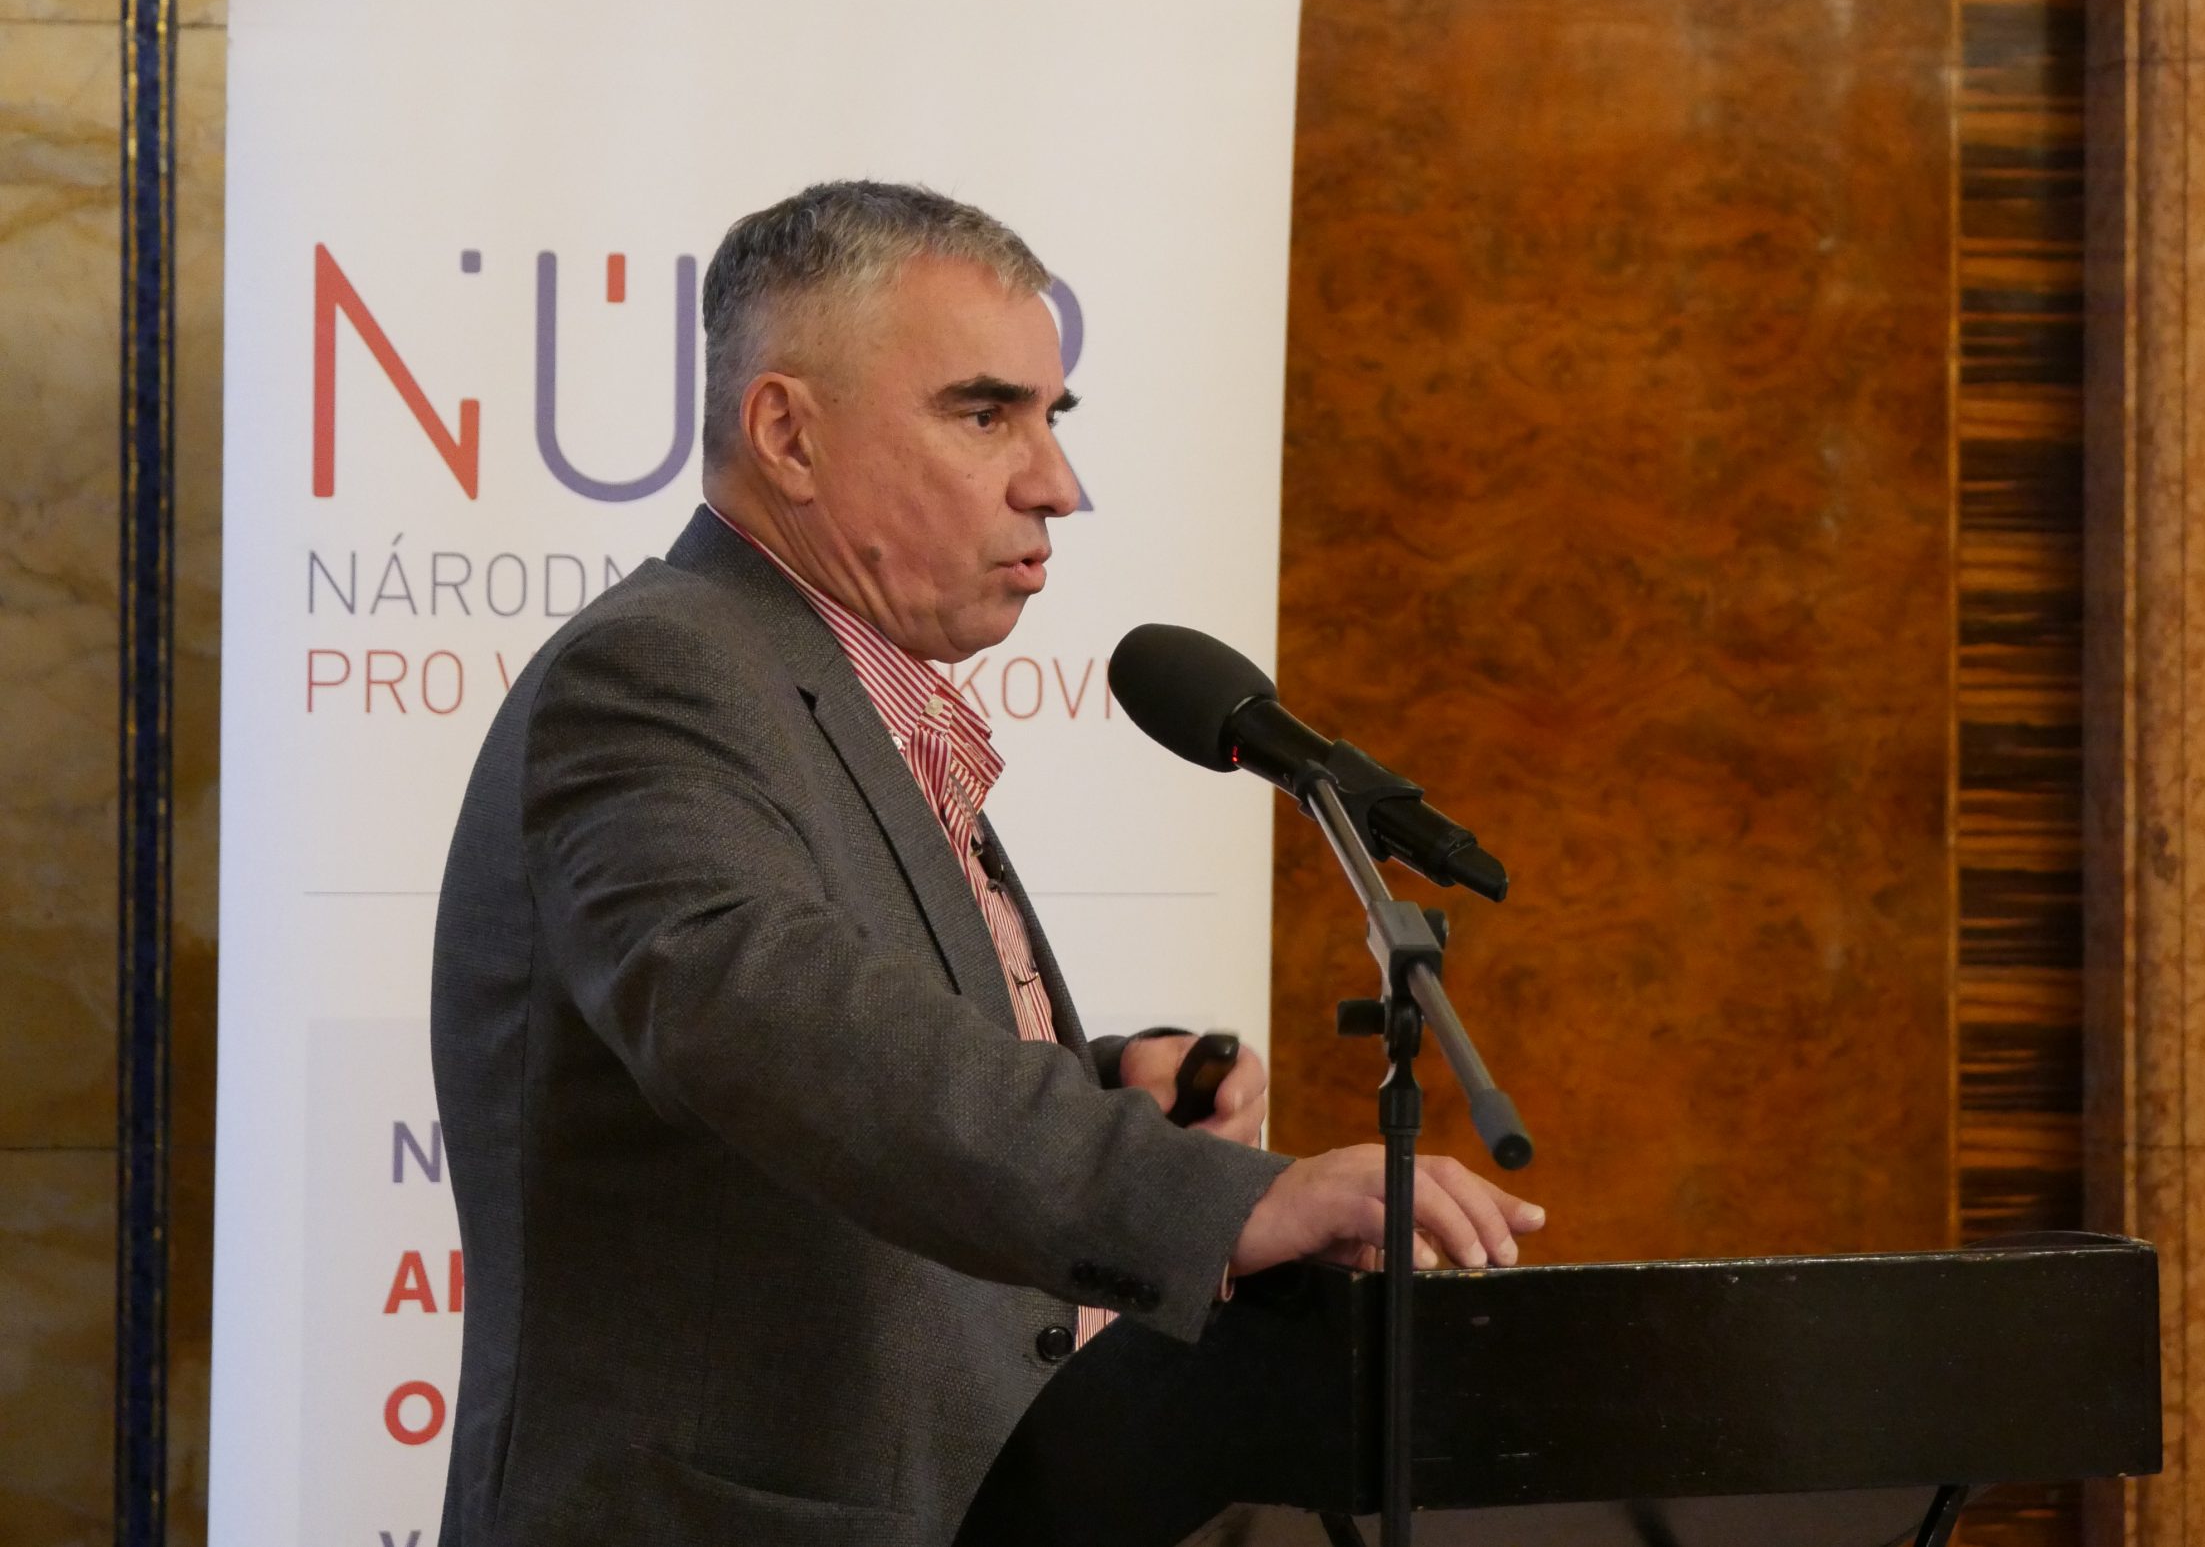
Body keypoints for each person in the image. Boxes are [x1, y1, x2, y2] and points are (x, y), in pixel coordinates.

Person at [430, 180, 1543, 1547]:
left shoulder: (837, 688)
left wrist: (1102, 1083)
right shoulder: (656, 671)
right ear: (787, 432)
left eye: (1052, 416)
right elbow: (774, 1025)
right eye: (984, 414)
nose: (1055, 483)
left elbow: (837, 1063)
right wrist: (1215, 1201)